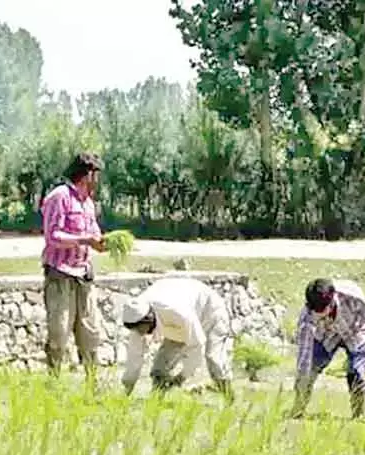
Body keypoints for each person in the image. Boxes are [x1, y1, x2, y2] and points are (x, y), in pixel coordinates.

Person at [40, 152, 107, 375]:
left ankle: (92, 384)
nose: (97, 179)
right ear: (87, 173)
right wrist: (84, 240)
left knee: (90, 333)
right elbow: (53, 236)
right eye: (96, 174)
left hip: (84, 277)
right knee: (59, 332)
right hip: (60, 275)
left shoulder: (88, 203)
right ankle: (54, 380)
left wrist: (100, 242)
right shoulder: (59, 197)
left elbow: (94, 231)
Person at [289, 278, 365, 419]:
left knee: (356, 373)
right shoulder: (307, 315)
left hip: (355, 332)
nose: (317, 315)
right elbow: (304, 356)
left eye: (321, 311)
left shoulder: (353, 299)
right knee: (310, 370)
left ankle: (358, 415)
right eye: (314, 311)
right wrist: (302, 380)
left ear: (332, 302)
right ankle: (298, 410)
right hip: (326, 337)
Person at [120, 276, 233, 397]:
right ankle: (156, 400)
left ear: (149, 318)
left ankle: (229, 399)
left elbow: (197, 345)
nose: (141, 333)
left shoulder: (177, 312)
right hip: (179, 316)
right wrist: (127, 389)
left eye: (142, 329)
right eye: (137, 330)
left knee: (214, 359)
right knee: (160, 367)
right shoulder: (136, 315)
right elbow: (134, 356)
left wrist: (182, 377)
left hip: (210, 311)